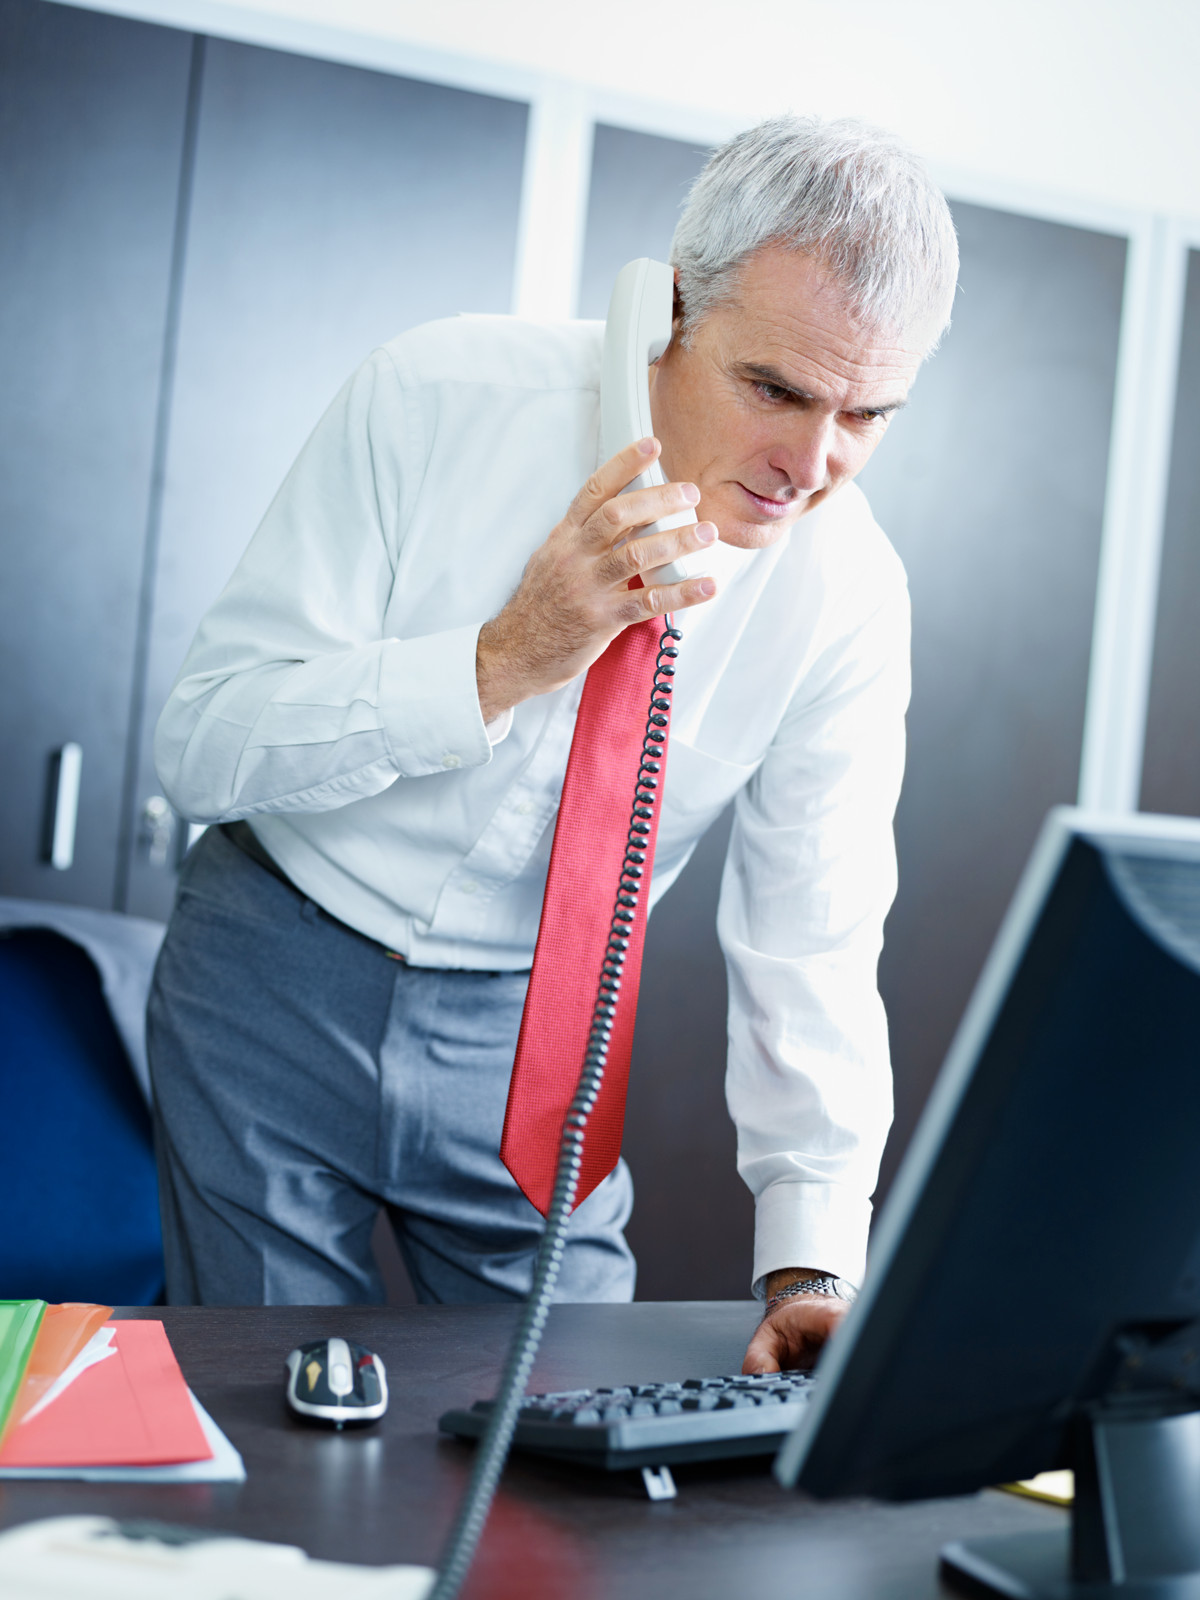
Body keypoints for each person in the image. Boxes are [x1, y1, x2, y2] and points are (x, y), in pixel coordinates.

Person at [149, 114, 958, 1374]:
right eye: (778, 390)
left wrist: (812, 1260)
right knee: (274, 1420)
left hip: (542, 1041)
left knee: (573, 1436)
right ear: (674, 306)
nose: (811, 464)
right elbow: (199, 745)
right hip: (272, 977)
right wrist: (501, 658)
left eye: (867, 414)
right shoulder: (436, 396)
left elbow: (815, 939)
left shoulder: (850, 594)